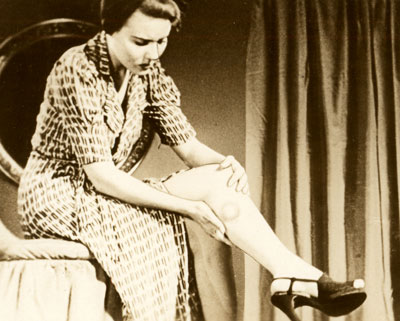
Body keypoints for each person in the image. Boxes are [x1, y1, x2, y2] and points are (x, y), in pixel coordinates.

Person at [17, 0, 367, 320]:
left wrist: (226, 164)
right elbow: (102, 176)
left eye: (161, 42)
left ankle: (289, 273)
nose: (153, 53)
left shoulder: (148, 73)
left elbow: (188, 146)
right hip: (58, 196)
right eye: (141, 42)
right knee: (195, 212)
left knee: (215, 180)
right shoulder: (77, 68)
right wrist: (188, 208)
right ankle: (297, 277)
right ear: (108, 30)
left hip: (100, 193)